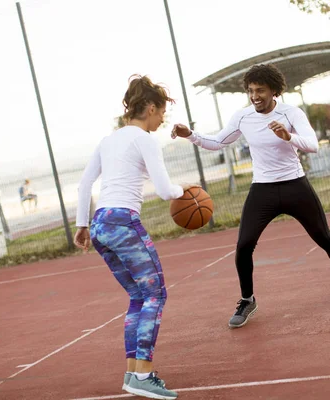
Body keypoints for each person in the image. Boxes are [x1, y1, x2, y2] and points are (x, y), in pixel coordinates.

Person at [172, 63, 330, 329]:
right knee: (243, 245)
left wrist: (289, 137)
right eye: (251, 91)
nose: (255, 96)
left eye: (260, 90)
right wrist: (190, 135)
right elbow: (218, 142)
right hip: (262, 189)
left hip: (295, 185)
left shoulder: (291, 113)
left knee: (323, 237)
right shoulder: (242, 117)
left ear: (274, 91)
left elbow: (313, 145)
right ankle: (247, 299)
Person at [74, 74, 190, 399]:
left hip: (99, 224)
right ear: (149, 107)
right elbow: (167, 190)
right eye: (161, 112)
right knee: (156, 295)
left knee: (139, 296)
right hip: (123, 221)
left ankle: (132, 374)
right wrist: (189, 190)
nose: (162, 118)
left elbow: (84, 186)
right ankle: (144, 374)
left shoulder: (108, 140)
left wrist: (82, 226)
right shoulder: (144, 139)